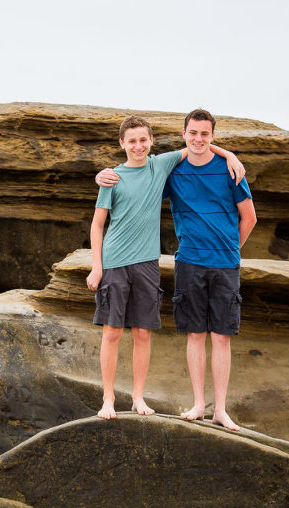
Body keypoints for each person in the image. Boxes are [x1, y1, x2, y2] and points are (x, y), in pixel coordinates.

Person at [95, 109, 257, 430]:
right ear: (184, 135)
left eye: (205, 134)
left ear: (213, 136)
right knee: (195, 335)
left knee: (222, 338)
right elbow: (137, 181)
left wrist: (230, 250)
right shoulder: (173, 171)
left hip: (225, 263)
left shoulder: (230, 170)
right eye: (193, 133)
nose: (199, 139)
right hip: (187, 263)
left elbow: (249, 218)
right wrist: (103, 175)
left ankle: (220, 410)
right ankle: (198, 404)